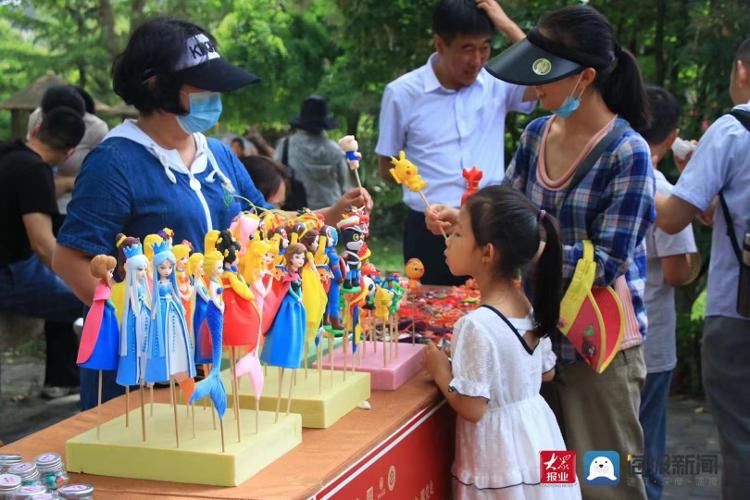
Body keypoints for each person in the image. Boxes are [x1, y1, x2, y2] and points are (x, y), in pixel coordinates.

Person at [52, 17, 371, 409]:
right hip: (141, 372)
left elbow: (264, 220)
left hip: (213, 352)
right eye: (202, 86)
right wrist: (145, 336)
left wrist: (331, 214)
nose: (215, 96)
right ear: (156, 85)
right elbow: (67, 258)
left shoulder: (217, 154)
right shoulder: (115, 162)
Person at [428, 5, 654, 498]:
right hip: (535, 345)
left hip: (598, 352)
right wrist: (467, 223)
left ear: (586, 77)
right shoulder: (535, 135)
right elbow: (508, 212)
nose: (534, 88)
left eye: (546, 75)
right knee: (553, 480)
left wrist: (510, 244)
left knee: (605, 482)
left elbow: (605, 263)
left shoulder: (626, 151)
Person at [424, 185, 580, 499]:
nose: (449, 239)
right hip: (541, 438)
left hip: (501, 457)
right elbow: (545, 372)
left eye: (458, 234)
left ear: (487, 252)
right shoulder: (526, 305)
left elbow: (472, 407)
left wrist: (441, 369)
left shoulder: (476, 325)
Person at [375, 0, 534, 286]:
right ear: (440, 44)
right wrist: (409, 177)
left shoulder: (498, 83)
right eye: (467, 49)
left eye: (485, 47)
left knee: (495, 313)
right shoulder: (402, 94)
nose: (477, 60)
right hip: (430, 229)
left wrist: (506, 24)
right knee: (428, 322)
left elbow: (543, 76)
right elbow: (386, 167)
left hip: (490, 226)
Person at [655, 38, 750, 500]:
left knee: (741, 440)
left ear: (742, 70)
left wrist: (642, 176)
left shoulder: (733, 131)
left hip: (738, 311)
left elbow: (673, 217)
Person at [0, 86, 86, 398]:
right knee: (93, 302)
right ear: (71, 152)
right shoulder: (34, 172)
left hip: (12, 268)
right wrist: (78, 281)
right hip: (11, 275)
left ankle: (64, 376)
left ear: (37, 128)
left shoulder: (8, 153)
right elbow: (41, 243)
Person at [638, 86, 701, 500]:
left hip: (594, 335)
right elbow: (677, 272)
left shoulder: (600, 170)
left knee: (597, 445)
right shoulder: (663, 189)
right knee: (646, 451)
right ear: (673, 134)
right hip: (650, 339)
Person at [28, 87, 109, 214]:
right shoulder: (36, 118)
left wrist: (69, 183)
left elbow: (101, 177)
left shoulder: (97, 129)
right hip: (32, 196)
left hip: (73, 204)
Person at [274, 95, 351, 210]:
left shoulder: (286, 146)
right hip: (331, 212)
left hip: (297, 214)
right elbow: (345, 186)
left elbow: (275, 178)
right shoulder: (335, 151)